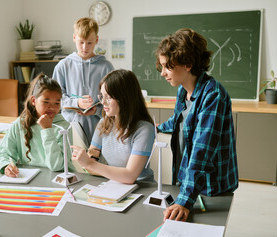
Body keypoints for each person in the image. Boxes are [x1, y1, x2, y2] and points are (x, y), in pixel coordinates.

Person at [155, 28, 238, 221]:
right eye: (162, 67)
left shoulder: (213, 95)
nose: (163, 73)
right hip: (190, 181)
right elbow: (179, 121)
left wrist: (184, 200)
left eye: (167, 67)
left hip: (210, 187)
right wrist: (157, 127)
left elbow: (202, 151)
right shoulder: (183, 91)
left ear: (188, 64)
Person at [71, 69, 155, 184]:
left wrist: (90, 164)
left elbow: (130, 176)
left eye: (109, 97)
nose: (103, 102)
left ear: (125, 98)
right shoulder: (103, 123)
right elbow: (93, 154)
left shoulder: (144, 129)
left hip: (142, 186)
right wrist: (89, 162)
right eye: (102, 96)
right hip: (114, 183)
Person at [0, 73, 74, 177]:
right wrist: (6, 166)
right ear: (33, 101)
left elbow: (57, 166)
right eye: (46, 102)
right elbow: (2, 153)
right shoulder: (21, 123)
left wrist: (47, 130)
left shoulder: (64, 127)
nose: (52, 108)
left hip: (57, 179)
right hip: (29, 178)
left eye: (57, 103)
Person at [53, 17, 114, 144]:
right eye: (81, 42)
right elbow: (56, 98)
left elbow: (113, 99)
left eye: (89, 43)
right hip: (70, 127)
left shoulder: (106, 66)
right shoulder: (63, 66)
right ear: (74, 37)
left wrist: (96, 110)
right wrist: (77, 103)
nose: (85, 47)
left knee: (96, 161)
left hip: (100, 128)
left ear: (96, 40)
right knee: (72, 161)